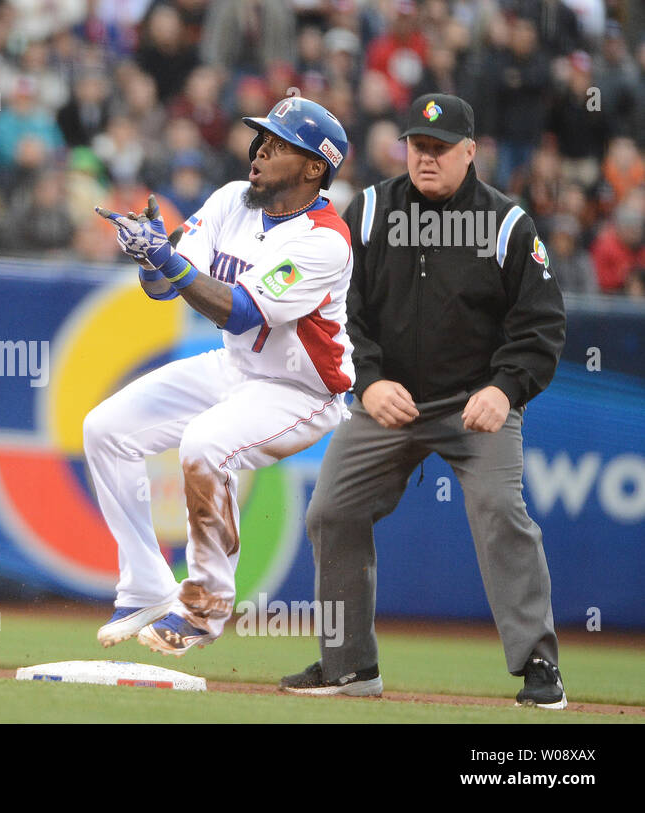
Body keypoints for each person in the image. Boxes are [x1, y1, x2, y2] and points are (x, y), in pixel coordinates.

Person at [279, 94, 567, 707]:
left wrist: (505, 389)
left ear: (471, 151)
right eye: (417, 146)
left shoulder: (507, 223)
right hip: (389, 401)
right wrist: (368, 381)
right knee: (331, 511)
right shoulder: (372, 210)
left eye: (440, 148)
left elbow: (540, 327)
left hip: (475, 406)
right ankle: (349, 667)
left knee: (498, 510)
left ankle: (540, 666)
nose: (426, 157)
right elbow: (338, 311)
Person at [89, 97, 355, 656]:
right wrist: (150, 260)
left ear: (314, 169)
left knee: (206, 444)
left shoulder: (324, 239)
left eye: (279, 143)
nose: (259, 149)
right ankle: (145, 587)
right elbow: (168, 287)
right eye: (261, 137)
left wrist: (168, 261)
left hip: (300, 388)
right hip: (235, 366)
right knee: (104, 428)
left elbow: (238, 310)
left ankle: (205, 608)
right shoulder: (232, 198)